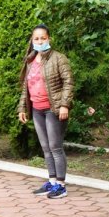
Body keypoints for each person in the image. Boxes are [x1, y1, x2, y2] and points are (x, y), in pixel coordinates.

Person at [18, 25, 73, 199]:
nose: (40, 41)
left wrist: (65, 104)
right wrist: (22, 107)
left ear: (49, 38)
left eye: (43, 38)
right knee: (45, 148)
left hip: (53, 109)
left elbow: (69, 82)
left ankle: (61, 186)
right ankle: (52, 181)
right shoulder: (31, 60)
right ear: (32, 40)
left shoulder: (58, 58)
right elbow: (26, 87)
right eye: (36, 39)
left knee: (55, 147)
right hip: (37, 109)